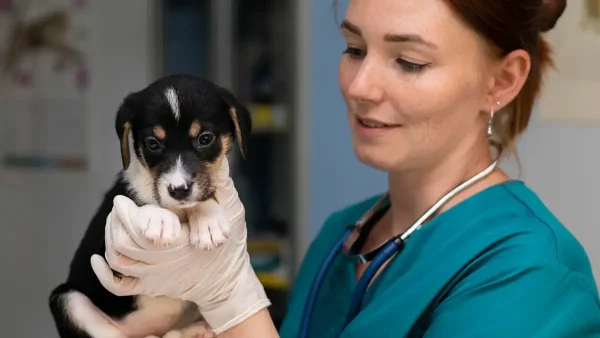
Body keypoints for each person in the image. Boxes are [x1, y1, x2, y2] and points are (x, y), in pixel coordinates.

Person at [91, 0, 600, 337]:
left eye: (409, 61)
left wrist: (232, 300)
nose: (360, 86)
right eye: (354, 49)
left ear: (503, 81)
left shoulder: (530, 272)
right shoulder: (343, 235)